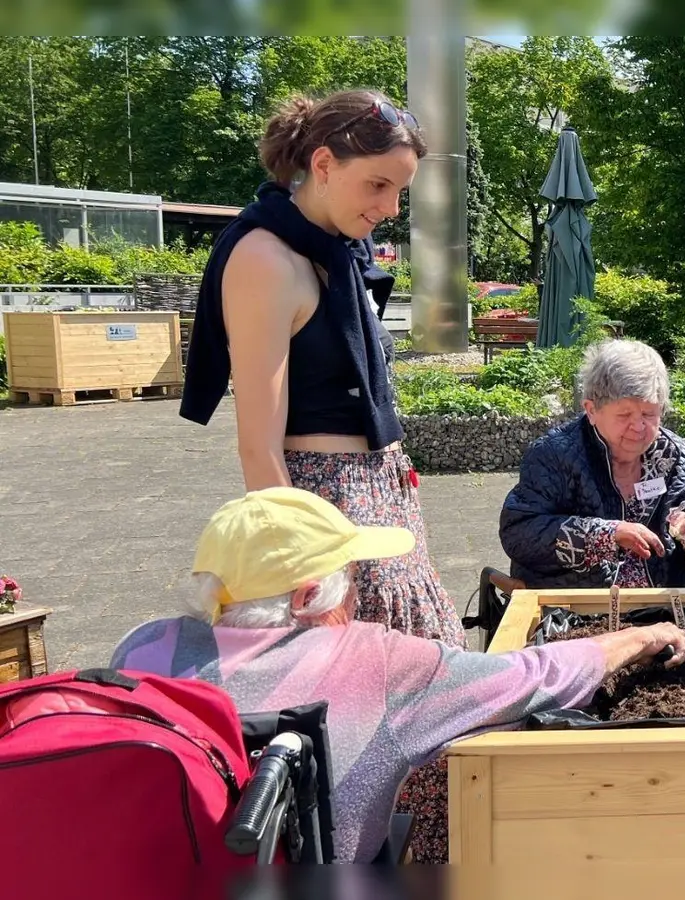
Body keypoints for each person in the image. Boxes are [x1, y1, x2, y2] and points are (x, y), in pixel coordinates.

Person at [176, 88, 464, 861]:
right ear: (323, 162)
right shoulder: (265, 256)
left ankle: (413, 863)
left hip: (374, 500)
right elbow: (257, 446)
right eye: (378, 185)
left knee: (420, 709)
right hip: (321, 505)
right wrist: (308, 577)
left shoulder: (333, 245)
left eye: (400, 191)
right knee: (365, 722)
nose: (389, 206)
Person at [110, 487, 685, 864]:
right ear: (310, 594)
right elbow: (532, 675)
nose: (360, 587)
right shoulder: (377, 661)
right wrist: (642, 637)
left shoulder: (141, 650)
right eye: (351, 574)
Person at [500, 339, 685, 589]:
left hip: (665, 606)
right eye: (624, 415)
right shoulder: (553, 456)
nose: (638, 427)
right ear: (591, 410)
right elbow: (518, 532)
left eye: (649, 414)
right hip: (577, 611)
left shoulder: (678, 458)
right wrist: (605, 535)